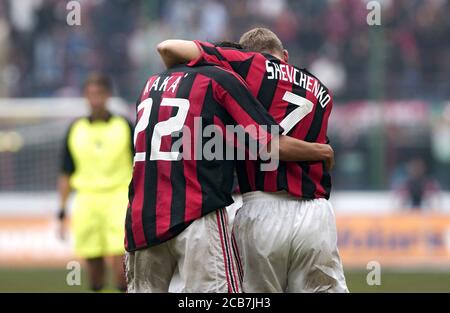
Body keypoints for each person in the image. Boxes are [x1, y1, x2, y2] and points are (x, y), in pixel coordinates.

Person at [157, 27, 348, 292]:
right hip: (316, 215)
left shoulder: (248, 65)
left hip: (262, 209)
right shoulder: (321, 90)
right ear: (285, 55)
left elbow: (169, 47)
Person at [57, 73, 133, 292]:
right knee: (94, 274)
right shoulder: (75, 129)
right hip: (86, 202)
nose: (95, 99)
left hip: (118, 199)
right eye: (91, 94)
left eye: (99, 94)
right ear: (85, 97)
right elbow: (66, 173)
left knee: (121, 271)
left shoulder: (124, 126)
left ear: (108, 95)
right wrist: (62, 211)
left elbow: (139, 165)